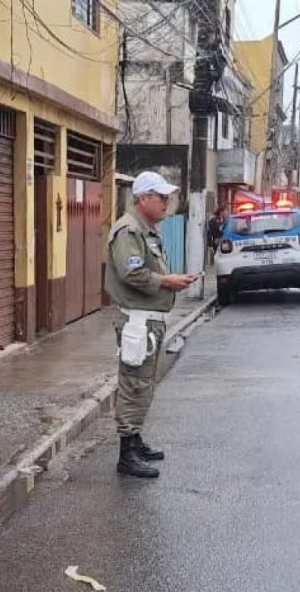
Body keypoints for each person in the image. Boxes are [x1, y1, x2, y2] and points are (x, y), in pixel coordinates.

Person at [106, 171, 197, 478]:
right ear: (143, 198)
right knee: (134, 384)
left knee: (143, 383)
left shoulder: (147, 230)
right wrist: (166, 281)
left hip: (149, 321)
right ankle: (126, 453)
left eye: (167, 197)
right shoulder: (129, 231)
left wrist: (169, 282)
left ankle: (135, 440)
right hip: (137, 321)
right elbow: (131, 274)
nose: (167, 203)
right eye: (161, 197)